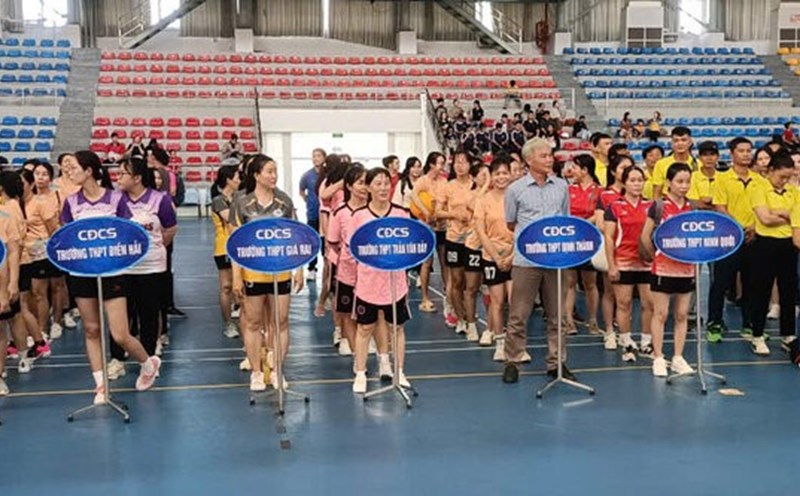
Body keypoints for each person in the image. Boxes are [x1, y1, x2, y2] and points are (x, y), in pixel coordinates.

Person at [61, 151, 161, 404]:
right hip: (81, 273)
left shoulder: (116, 200)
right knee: (92, 330)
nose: (69, 172)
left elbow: (130, 233)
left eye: (73, 168)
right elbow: (66, 237)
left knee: (119, 334)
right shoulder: (71, 202)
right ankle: (100, 385)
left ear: (89, 170)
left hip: (113, 272)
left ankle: (148, 364)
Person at [230, 154, 304, 391]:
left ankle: (278, 370)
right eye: (269, 171)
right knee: (252, 323)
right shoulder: (242, 203)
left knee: (280, 322)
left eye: (275, 171)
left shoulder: (284, 202)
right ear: (257, 175)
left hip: (280, 272)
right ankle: (256, 372)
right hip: (253, 273)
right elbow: (234, 243)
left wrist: (299, 269)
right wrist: (236, 276)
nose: (274, 176)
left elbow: (296, 236)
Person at [502, 138, 572, 384]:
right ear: (529, 160)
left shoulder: (562, 187)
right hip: (525, 260)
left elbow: (565, 220)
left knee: (557, 315)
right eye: (543, 156)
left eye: (550, 155)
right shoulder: (515, 189)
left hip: (555, 260)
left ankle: (557, 363)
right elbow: (511, 223)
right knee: (519, 314)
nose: (549, 159)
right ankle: (512, 360)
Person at [113, 157, 177, 378]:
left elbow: (169, 230)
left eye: (122, 173)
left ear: (137, 178)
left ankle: (149, 361)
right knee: (123, 315)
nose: (117, 177)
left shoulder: (160, 200)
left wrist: (151, 250)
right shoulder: (115, 200)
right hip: (123, 267)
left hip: (151, 267)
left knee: (149, 314)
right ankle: (117, 358)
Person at [349, 167, 412, 393]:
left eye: (386, 183)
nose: (384, 188)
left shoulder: (402, 214)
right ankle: (360, 373)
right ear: (368, 188)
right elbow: (352, 249)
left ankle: (400, 371)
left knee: (397, 327)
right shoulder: (359, 216)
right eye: (378, 183)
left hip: (396, 283)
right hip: (368, 283)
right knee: (365, 328)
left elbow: (410, 245)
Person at [706, 137, 764, 343]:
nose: (746, 154)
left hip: (753, 238)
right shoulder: (721, 179)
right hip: (729, 239)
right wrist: (738, 228)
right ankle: (714, 322)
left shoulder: (760, 181)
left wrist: (754, 227)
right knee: (720, 283)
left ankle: (749, 325)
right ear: (732, 154)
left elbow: (763, 209)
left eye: (749, 150)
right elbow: (720, 208)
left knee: (751, 284)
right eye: (741, 151)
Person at [640, 163, 696, 376]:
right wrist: (655, 253)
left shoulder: (692, 207)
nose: (684, 186)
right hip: (663, 268)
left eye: (687, 182)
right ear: (669, 183)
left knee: (681, 315)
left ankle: (678, 357)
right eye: (679, 181)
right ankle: (658, 357)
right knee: (660, 314)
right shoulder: (659, 206)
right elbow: (645, 237)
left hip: (687, 269)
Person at [748, 151, 798, 355]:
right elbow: (765, 219)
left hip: (789, 244)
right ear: (770, 171)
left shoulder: (793, 191)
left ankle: (788, 335)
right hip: (765, 245)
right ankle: (757, 335)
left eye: (788, 177)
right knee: (762, 290)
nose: (784, 181)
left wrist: (782, 214)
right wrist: (789, 216)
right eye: (781, 177)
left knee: (789, 290)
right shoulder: (758, 188)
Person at [603, 165, 654, 362]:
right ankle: (626, 343)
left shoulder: (651, 206)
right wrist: (612, 264)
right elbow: (608, 236)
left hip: (646, 263)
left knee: (648, 304)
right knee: (623, 304)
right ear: (624, 182)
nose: (636, 184)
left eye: (640, 180)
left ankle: (646, 342)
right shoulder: (615, 207)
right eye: (632, 180)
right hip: (623, 261)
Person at [474, 156, 514, 360]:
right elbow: (481, 233)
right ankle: (500, 342)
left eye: (505, 173)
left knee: (515, 301)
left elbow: (522, 228)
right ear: (492, 176)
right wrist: (497, 257)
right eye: (497, 173)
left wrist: (511, 254)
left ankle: (516, 346)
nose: (501, 177)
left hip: (515, 257)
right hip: (491, 258)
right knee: (497, 302)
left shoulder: (517, 197)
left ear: (511, 174)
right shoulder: (483, 201)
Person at [327, 164, 368, 358]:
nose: (364, 187)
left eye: (366, 182)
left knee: (371, 315)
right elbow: (333, 243)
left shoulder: (374, 211)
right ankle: (356, 354)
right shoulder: (340, 212)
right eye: (360, 182)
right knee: (347, 314)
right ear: (349, 186)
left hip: (372, 274)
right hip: (347, 272)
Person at [441, 150, 477, 339]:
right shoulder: (449, 186)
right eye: (456, 162)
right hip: (454, 238)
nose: (459, 165)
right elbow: (437, 212)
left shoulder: (476, 185)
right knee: (456, 280)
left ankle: (471, 319)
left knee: (472, 284)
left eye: (463, 162)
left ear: (470, 164)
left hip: (474, 239)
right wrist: (454, 215)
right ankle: (461, 318)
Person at [565, 155, 601, 336]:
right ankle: (569, 321)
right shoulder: (569, 190)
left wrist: (585, 224)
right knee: (570, 282)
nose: (572, 171)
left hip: (588, 239)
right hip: (571, 240)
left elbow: (599, 214)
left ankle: (593, 320)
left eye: (576, 167)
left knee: (590, 283)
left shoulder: (598, 191)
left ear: (585, 170)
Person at [594, 154, 628, 347]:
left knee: (626, 296)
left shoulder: (637, 193)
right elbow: (600, 223)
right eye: (623, 168)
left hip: (632, 252)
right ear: (614, 171)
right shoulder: (605, 195)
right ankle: (609, 331)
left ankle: (625, 333)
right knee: (610, 291)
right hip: (612, 249)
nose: (627, 172)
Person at [411, 152, 448, 314]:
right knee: (427, 262)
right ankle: (425, 297)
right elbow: (414, 196)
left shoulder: (444, 181)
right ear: (432, 164)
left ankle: (449, 296)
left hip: (442, 226)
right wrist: (426, 212)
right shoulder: (423, 180)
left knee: (444, 261)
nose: (442, 166)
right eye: (440, 163)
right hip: (426, 226)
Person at [210, 165, 241, 339]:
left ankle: (243, 318)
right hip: (223, 247)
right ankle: (228, 323)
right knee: (226, 286)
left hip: (241, 247)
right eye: (237, 177)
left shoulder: (241, 198)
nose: (239, 180)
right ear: (228, 179)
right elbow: (232, 219)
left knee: (241, 286)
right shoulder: (218, 200)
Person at [462, 162, 490, 342]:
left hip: (491, 248)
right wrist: (486, 185)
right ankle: (471, 325)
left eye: (489, 175)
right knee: (471, 288)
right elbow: (472, 206)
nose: (487, 179)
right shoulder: (472, 195)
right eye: (483, 175)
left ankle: (491, 327)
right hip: (473, 246)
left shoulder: (498, 196)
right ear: (473, 177)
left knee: (491, 290)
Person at [299, 148, 325, 280]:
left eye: (318, 156)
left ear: (324, 158)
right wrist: (307, 200)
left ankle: (328, 268)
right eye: (314, 156)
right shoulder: (307, 175)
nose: (316, 158)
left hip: (326, 215)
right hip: (313, 214)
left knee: (325, 242)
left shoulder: (328, 175)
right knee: (312, 241)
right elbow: (301, 190)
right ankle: (312, 268)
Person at [651, 126, 697, 199]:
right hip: (669, 206)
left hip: (694, 205)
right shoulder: (661, 164)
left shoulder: (699, 164)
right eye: (676, 140)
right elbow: (657, 192)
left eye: (683, 140)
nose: (680, 143)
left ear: (690, 142)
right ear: (671, 143)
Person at [687, 141, 720, 209]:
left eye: (712, 154)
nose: (709, 158)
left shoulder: (724, 178)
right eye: (705, 155)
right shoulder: (692, 177)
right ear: (699, 157)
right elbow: (694, 203)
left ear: (718, 157)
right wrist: (715, 203)